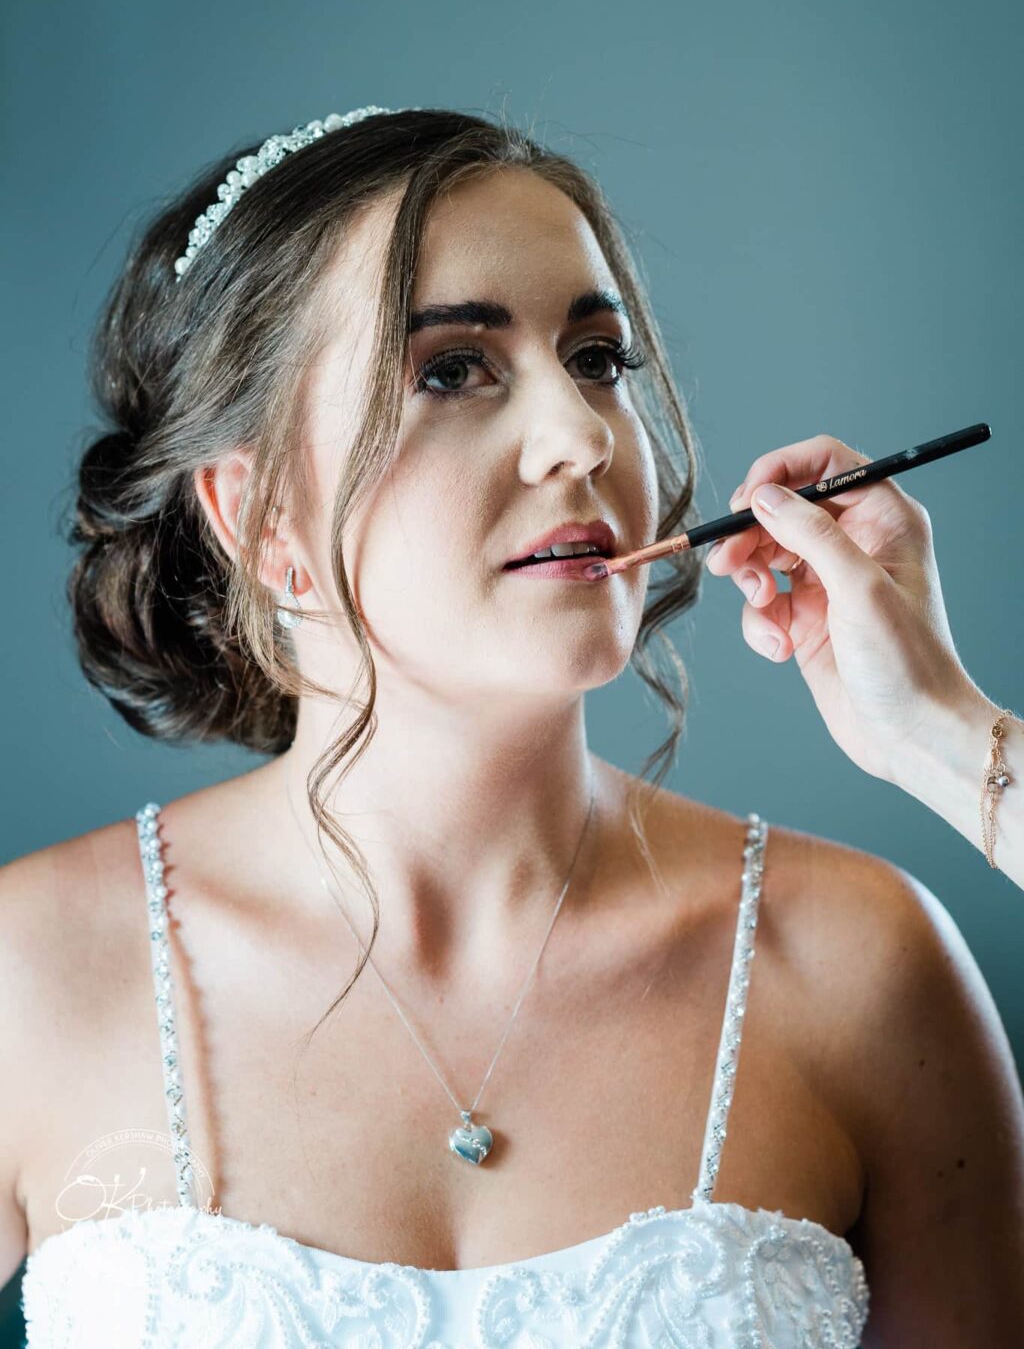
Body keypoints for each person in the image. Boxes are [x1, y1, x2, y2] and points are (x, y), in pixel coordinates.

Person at [1, 106, 1021, 1345]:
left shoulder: (863, 968)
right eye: (450, 369)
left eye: (597, 357)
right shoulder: (29, 977)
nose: (585, 436)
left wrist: (951, 745)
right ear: (263, 515)